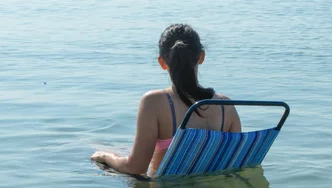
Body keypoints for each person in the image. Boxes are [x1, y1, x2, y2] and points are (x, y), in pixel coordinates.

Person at [91, 24, 242, 176]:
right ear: (201, 57)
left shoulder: (154, 102)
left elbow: (135, 168)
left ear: (162, 62)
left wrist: (106, 157)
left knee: (102, 159)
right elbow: (236, 163)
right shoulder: (225, 105)